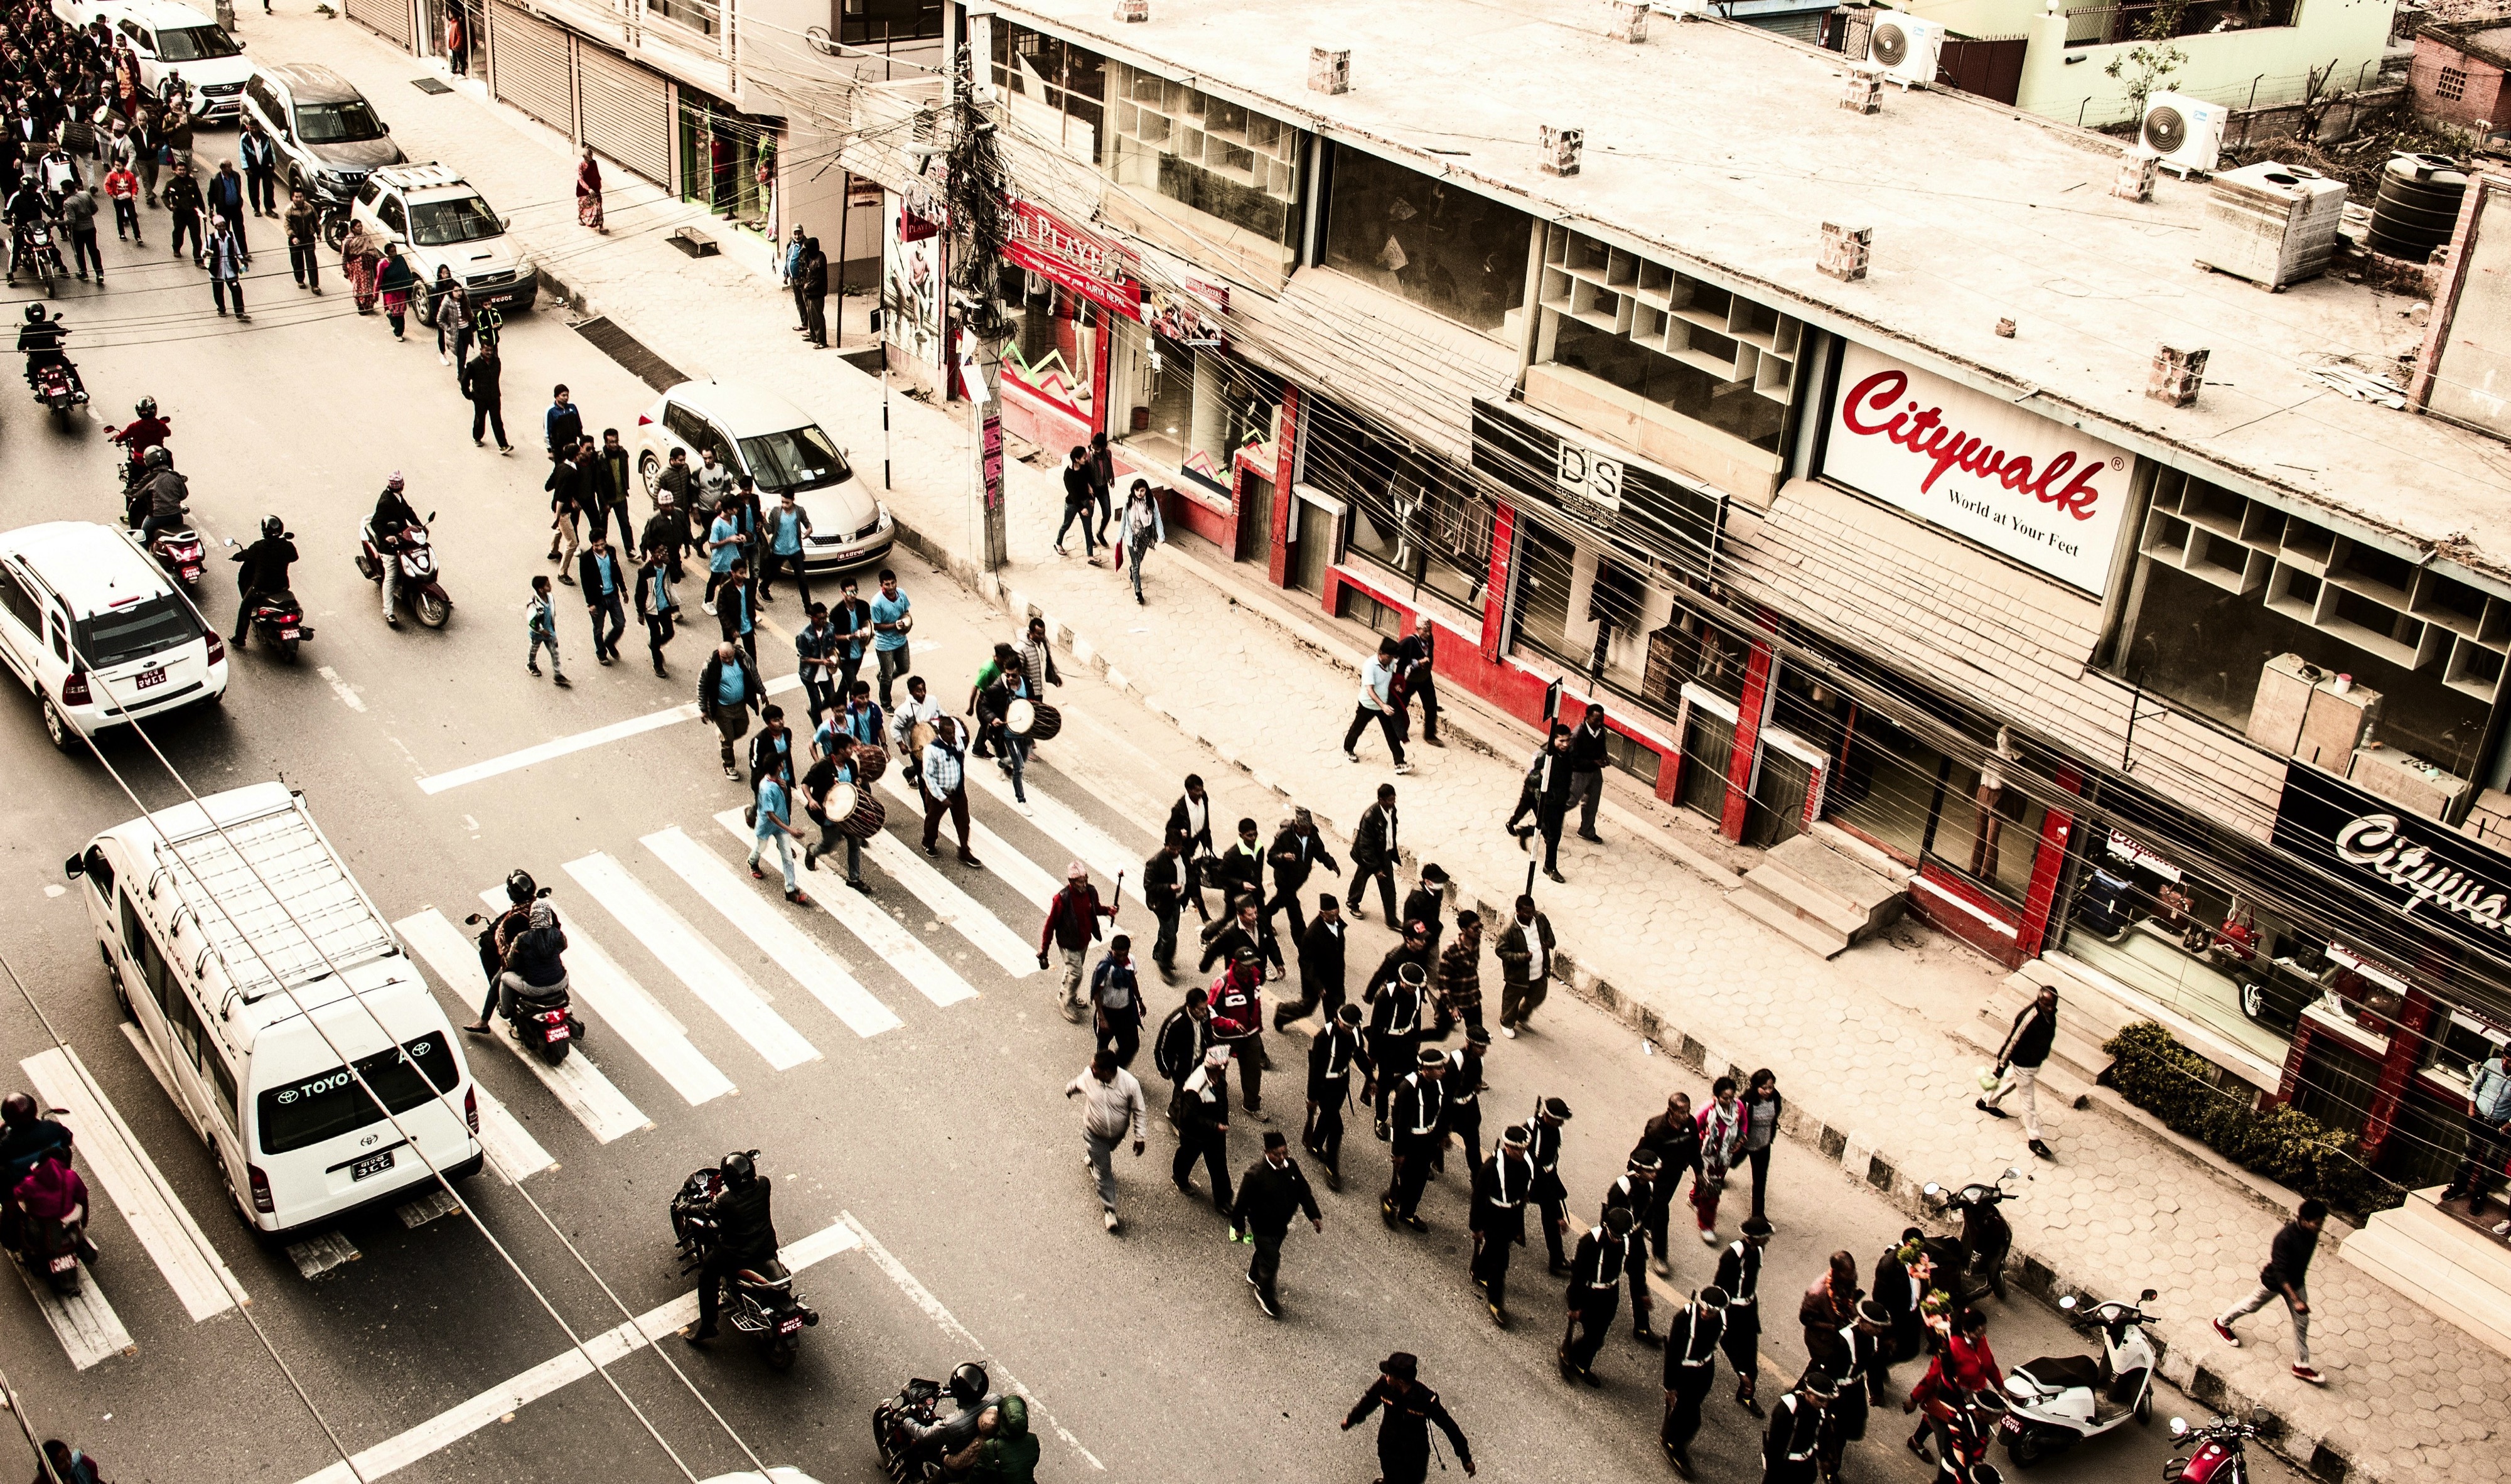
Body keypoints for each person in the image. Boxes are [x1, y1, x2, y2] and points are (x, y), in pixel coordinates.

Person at [2213, 1198, 2327, 1384]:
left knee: (2302, 1322)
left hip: (2296, 1283)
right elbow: (2280, 1273)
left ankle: (2301, 1365)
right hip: (2274, 1282)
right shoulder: (2285, 1238)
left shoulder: (2312, 1234)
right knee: (2252, 1305)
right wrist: (2296, 1299)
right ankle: (2221, 1323)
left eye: (2321, 1223)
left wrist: (2298, 1292)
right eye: (2317, 1223)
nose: (2320, 1227)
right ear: (2304, 1220)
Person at [1228, 1129, 1323, 1319]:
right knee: (1271, 1261)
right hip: (1263, 1228)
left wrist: (1314, 1215)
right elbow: (1241, 1205)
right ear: (1266, 1152)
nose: (1282, 1158)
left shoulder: (1291, 1166)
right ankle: (1265, 1294)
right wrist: (1239, 1227)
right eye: (1277, 1154)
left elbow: (1303, 1192)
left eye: (1285, 1152)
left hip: (1281, 1226)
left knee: (1266, 1254)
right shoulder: (1255, 1176)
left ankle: (1254, 1274)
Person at [683, 1151, 776, 1343]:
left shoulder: (726, 1200)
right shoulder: (764, 1184)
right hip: (766, 1246)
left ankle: (708, 1325)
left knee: (707, 1274)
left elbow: (705, 1210)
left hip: (737, 1254)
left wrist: (686, 1208)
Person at [1343, 1352, 1475, 1483]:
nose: (1386, 1377)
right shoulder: (1384, 1386)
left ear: (1400, 1380)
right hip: (1388, 1446)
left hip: (1415, 1455)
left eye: (1389, 1375)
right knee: (1390, 1476)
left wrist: (1466, 1458)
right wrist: (1350, 1420)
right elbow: (1367, 1403)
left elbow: (1449, 1427)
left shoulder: (1425, 1399)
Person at [1560, 1205, 1647, 1385]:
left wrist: (1642, 1294)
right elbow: (1578, 1277)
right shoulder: (1589, 1242)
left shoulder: (1630, 1240)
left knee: (1599, 1333)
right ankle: (1570, 1354)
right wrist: (1574, 1306)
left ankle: (1581, 1364)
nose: (1616, 1240)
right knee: (1592, 1332)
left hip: (1610, 1292)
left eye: (1620, 1237)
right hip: (1589, 1292)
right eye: (1613, 1235)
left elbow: (1637, 1270)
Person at [1979, 984, 2059, 1161]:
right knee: (2028, 1102)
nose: (2051, 1008)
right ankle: (2034, 1139)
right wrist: (2000, 1067)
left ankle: (1986, 1101)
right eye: (2047, 1005)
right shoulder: (2029, 1018)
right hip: (2023, 1065)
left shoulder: (2050, 1015)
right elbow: (2012, 1042)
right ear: (2039, 1001)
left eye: (2053, 1005)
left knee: (2009, 1082)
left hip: (2031, 1064)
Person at [1660, 1284, 1731, 1479]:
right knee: (1692, 1418)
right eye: (1703, 1308)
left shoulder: (1723, 1319)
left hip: (1705, 1368)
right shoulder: (1683, 1319)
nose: (1705, 1313)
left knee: (1692, 1405)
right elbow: (1672, 1355)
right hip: (1684, 1370)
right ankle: (1674, 1445)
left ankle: (1671, 1433)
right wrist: (1669, 1386)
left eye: (1711, 1311)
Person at [1471, 1123, 1535, 1326]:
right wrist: (1476, 1227)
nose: (1521, 1152)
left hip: (1513, 1215)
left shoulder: (1526, 1163)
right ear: (1507, 1147)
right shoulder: (1491, 1168)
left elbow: (1526, 1188)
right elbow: (1478, 1199)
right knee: (1500, 1262)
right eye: (1516, 1149)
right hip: (1494, 1216)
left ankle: (1479, 1271)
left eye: (1523, 1149)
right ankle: (1495, 1301)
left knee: (1496, 1248)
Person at [1038, 863, 1117, 1023]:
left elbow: (1095, 908)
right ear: (1072, 882)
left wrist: (1107, 910)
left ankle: (1067, 993)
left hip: (1083, 941)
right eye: (1081, 882)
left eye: (1086, 879)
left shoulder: (1091, 891)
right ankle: (1065, 1002)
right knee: (1077, 974)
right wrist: (1044, 949)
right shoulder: (1062, 899)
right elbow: (1050, 925)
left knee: (1073, 970)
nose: (1085, 884)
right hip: (1068, 944)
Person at [2443, 1037, 2511, 1220]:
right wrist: (2471, 1109)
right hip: (2478, 1117)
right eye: (2504, 1058)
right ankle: (2458, 1187)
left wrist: (2509, 1124)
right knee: (2467, 1155)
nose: (2505, 1063)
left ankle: (2479, 1198)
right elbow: (2476, 1085)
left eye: (2510, 1061)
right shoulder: (2492, 1064)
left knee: (2490, 1164)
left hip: (2500, 1127)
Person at [1382, 1046, 1448, 1232]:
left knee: (1420, 1181)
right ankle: (1390, 1202)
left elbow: (1439, 1113)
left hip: (1428, 1141)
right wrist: (1398, 1153)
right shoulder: (1408, 1089)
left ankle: (1408, 1213)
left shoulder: (1438, 1084)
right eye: (1439, 1068)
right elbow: (1399, 1124)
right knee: (1405, 1181)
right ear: (1426, 1069)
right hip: (1411, 1143)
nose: (1443, 1071)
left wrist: (1442, 1136)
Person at [1303, 1003, 1367, 1192]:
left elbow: (1359, 1055)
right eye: (1346, 1025)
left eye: (1352, 1026)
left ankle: (1315, 1143)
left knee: (1329, 1115)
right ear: (1337, 1020)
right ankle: (1331, 1168)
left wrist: (1370, 1077)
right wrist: (1312, 1097)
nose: (1349, 1029)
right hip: (1324, 1085)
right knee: (1337, 1128)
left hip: (1341, 1082)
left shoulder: (1355, 1032)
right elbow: (1315, 1070)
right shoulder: (1323, 1037)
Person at [1716, 1216, 1775, 1414]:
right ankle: (1743, 1375)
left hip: (1749, 1308)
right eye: (1764, 1237)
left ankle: (1746, 1394)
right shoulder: (1731, 1257)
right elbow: (1720, 1288)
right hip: (1732, 1309)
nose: (1768, 1240)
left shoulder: (1759, 1250)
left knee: (1751, 1351)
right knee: (1727, 1341)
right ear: (1751, 1238)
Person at [1367, 958, 1430, 1139]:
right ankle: (1380, 1118)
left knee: (1412, 1079)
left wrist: (1416, 1039)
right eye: (1409, 986)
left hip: (1407, 1041)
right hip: (1387, 1042)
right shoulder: (1385, 997)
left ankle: (1405, 1115)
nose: (1412, 989)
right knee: (1384, 1082)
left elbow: (1417, 1016)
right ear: (1401, 981)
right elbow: (1375, 1027)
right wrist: (1373, 1055)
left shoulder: (1417, 993)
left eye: (1415, 987)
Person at [1264, 809, 1339, 956]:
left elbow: (1320, 852)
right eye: (1305, 830)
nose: (1308, 832)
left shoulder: (1312, 834)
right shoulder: (1284, 836)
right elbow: (1271, 857)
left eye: (1309, 828)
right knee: (1296, 916)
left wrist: (1331, 863)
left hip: (1298, 880)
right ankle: (1304, 949)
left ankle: (1263, 917)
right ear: (1297, 827)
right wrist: (1282, 857)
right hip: (1284, 880)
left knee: (1279, 901)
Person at [1173, 1044, 1233, 1213]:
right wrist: (1215, 1126)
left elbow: (1222, 1101)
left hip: (1214, 1130)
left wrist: (1222, 1122)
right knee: (1188, 1155)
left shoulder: (1218, 1079)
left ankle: (1224, 1201)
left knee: (1219, 1164)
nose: (1224, 1070)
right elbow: (1189, 1117)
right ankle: (1179, 1177)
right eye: (1223, 1067)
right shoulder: (1196, 1087)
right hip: (1193, 1132)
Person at [1516, 724, 1577, 884]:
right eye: (1561, 741)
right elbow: (1531, 779)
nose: (1565, 744)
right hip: (1548, 801)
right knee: (1553, 833)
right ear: (1553, 739)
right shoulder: (1546, 756)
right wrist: (1542, 774)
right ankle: (1550, 867)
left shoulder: (1567, 754)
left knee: (1551, 832)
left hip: (1560, 800)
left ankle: (1526, 832)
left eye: (1568, 740)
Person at [920, 716, 981, 866]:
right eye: (948, 733)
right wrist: (941, 797)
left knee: (964, 822)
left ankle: (964, 851)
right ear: (941, 733)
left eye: (953, 732)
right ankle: (929, 843)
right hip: (940, 793)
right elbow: (928, 776)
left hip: (958, 791)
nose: (952, 736)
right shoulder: (932, 750)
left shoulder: (958, 741)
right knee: (932, 821)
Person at [1278, 895, 1347, 1030]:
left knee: (1334, 1008)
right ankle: (1282, 1013)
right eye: (1331, 915)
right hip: (1316, 978)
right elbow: (1305, 962)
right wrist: (1318, 986)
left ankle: (1332, 1034)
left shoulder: (1337, 924)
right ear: (1322, 914)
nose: (1335, 918)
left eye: (1337, 914)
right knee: (1307, 1007)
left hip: (1333, 976)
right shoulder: (1312, 935)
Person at [227, 515, 296, 647]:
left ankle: (240, 638)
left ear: (264, 531)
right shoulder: (287, 546)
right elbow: (294, 557)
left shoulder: (258, 547)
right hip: (282, 586)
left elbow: (245, 555)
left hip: (262, 589)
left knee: (245, 608)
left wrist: (235, 557)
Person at [1493, 895, 1556, 1039]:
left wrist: (1549, 942)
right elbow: (1501, 951)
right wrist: (1521, 957)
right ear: (1518, 911)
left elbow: (1548, 931)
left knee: (1538, 996)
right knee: (1512, 1000)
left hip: (1539, 971)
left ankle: (1522, 1015)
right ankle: (1506, 1023)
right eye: (1527, 912)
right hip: (1518, 974)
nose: (1531, 915)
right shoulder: (1508, 930)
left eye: (1532, 911)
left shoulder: (1539, 918)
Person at [698, 640, 763, 780]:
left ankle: (723, 735)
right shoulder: (711, 665)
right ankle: (728, 765)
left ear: (734, 651)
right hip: (721, 709)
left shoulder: (744, 659)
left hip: (740, 705)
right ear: (719, 654)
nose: (728, 661)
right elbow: (702, 686)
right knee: (728, 738)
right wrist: (703, 709)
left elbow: (754, 673)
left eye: (730, 657)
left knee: (742, 728)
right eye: (724, 658)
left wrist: (762, 691)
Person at [747, 761, 810, 905]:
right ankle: (752, 861)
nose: (783, 764)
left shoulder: (779, 780)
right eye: (781, 763)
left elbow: (783, 799)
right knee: (761, 847)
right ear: (778, 767)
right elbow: (771, 815)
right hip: (767, 826)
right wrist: (791, 830)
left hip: (781, 826)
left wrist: (785, 789)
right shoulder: (766, 788)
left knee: (787, 857)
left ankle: (790, 890)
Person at [1343, 636, 1409, 772]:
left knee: (1391, 733)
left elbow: (1390, 677)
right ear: (1381, 653)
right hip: (1368, 705)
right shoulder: (1370, 665)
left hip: (1383, 705)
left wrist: (1396, 686)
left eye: (1393, 657)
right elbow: (1370, 690)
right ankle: (1348, 749)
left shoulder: (1390, 663)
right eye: (1389, 656)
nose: (1391, 660)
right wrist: (1383, 706)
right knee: (1358, 728)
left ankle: (1399, 762)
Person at [1696, 1075, 1747, 1245]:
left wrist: (1739, 1141)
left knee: (1707, 1186)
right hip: (1706, 1157)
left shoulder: (1738, 1107)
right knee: (1711, 1191)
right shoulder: (1707, 1110)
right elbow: (1694, 1129)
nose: (1729, 1101)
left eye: (1732, 1097)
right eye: (1725, 1098)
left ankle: (1695, 1198)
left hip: (1724, 1158)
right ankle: (1706, 1226)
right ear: (1716, 1096)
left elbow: (1743, 1124)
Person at [1873, 1228, 1932, 1368]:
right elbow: (1879, 1297)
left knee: (1911, 1351)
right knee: (1886, 1352)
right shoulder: (1888, 1266)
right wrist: (1889, 1327)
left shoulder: (1920, 1258)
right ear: (1906, 1245)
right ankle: (1878, 1369)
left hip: (1912, 1314)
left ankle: (1889, 1361)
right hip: (1896, 1317)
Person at [1761, 1371, 1835, 1484]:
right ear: (1808, 1393)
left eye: (1827, 1401)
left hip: (1805, 1466)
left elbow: (1821, 1434)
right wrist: (1773, 1474)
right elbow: (1774, 1449)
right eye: (1820, 1400)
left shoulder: (1820, 1409)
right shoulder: (1786, 1410)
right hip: (1785, 1465)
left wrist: (1824, 1458)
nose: (1824, 1405)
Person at [1166, 775, 1218, 925]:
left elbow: (1205, 820)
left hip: (1196, 840)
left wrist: (1207, 840)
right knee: (1192, 880)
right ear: (1189, 791)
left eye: (1202, 790)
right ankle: (1204, 915)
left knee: (1190, 873)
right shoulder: (1180, 809)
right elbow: (1169, 828)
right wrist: (1179, 833)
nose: (1201, 793)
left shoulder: (1204, 798)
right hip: (1184, 846)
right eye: (1197, 791)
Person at [1347, 783, 1401, 923]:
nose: (1393, 802)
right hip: (1368, 856)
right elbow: (1365, 846)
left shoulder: (1391, 810)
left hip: (1384, 852)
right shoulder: (1370, 817)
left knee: (1389, 887)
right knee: (1361, 880)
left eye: (1394, 799)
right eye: (1390, 800)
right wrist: (1376, 869)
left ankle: (1391, 919)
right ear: (1381, 800)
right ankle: (1352, 903)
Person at [1091, 935, 1145, 1067]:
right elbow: (1096, 993)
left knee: (1131, 1045)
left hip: (1126, 1011)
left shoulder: (1130, 961)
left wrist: (1139, 1001)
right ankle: (1103, 1070)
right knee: (1103, 1048)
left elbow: (1133, 981)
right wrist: (1102, 1018)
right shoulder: (1104, 968)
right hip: (1108, 1012)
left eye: (1124, 955)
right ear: (1112, 950)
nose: (1121, 958)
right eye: (1118, 955)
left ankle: (1116, 1069)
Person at [1740, 1068, 1783, 1227]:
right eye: (1764, 1088)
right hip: (1743, 1144)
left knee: (1760, 1180)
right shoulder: (1746, 1100)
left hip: (1763, 1145)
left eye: (1771, 1087)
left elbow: (1775, 1116)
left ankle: (1758, 1214)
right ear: (1756, 1086)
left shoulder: (1776, 1098)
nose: (1768, 1091)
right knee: (1726, 1164)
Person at [577, 535, 627, 666]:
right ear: (592, 544)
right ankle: (601, 653)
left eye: (602, 544)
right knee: (598, 628)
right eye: (596, 545)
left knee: (620, 623)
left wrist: (623, 588)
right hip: (597, 599)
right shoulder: (586, 558)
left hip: (612, 595)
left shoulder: (611, 551)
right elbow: (585, 582)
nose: (600, 547)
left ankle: (609, 642)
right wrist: (590, 604)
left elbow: (616, 570)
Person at [1566, 701, 1611, 841]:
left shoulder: (1600, 730)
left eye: (1602, 720)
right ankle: (1547, 814)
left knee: (1592, 803)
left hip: (1595, 773)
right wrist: (1593, 762)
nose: (1600, 723)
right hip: (1580, 772)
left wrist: (1604, 756)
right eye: (1597, 720)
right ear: (1587, 718)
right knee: (1571, 800)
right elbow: (1572, 759)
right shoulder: (1578, 735)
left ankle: (1587, 830)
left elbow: (1602, 746)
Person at [759, 488, 812, 606]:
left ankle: (808, 606)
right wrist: (763, 521)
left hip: (795, 550)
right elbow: (770, 530)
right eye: (782, 502)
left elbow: (807, 524)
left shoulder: (799, 511)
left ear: (793, 500)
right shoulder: (776, 512)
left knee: (802, 579)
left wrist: (809, 529)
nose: (784, 505)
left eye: (787, 502)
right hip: (779, 550)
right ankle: (763, 587)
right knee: (773, 573)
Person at [1437, 911, 1486, 1037]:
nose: (1480, 931)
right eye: (1475, 929)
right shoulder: (1450, 951)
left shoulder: (1476, 942)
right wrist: (1452, 1008)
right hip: (1456, 1000)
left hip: (1472, 999)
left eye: (1481, 927)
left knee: (1477, 1035)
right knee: (1440, 1034)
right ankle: (1415, 1039)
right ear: (1464, 930)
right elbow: (1443, 984)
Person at [635, 544, 679, 678]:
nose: (663, 553)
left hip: (664, 606)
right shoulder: (645, 571)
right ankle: (658, 665)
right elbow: (639, 593)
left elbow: (677, 579)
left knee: (669, 632)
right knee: (655, 635)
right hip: (651, 609)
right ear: (653, 553)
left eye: (665, 550)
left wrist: (670, 564)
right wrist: (640, 612)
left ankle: (655, 646)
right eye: (660, 551)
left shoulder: (667, 566)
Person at [1395, 621, 1442, 748]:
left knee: (1431, 705)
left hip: (1425, 679)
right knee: (1402, 704)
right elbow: (1398, 657)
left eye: (1429, 631)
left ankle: (1429, 735)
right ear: (1418, 629)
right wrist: (1417, 663)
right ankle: (1399, 730)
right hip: (1410, 680)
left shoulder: (1430, 640)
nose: (1428, 634)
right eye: (1425, 631)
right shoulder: (1410, 642)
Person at [871, 569, 912, 707]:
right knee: (888, 676)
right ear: (881, 585)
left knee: (904, 668)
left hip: (901, 640)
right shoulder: (877, 603)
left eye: (893, 583)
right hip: (885, 644)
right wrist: (894, 625)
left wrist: (907, 622)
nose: (891, 587)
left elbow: (906, 612)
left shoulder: (901, 594)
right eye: (887, 584)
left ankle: (882, 677)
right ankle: (886, 703)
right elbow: (876, 626)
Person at [1117, 478, 1163, 604]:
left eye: (1142, 490)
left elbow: (1157, 518)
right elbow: (1124, 520)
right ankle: (1138, 593)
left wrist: (1161, 536)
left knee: (1139, 560)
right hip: (1132, 538)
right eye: (1137, 490)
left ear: (1146, 490)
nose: (1139, 493)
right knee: (1137, 564)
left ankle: (1132, 570)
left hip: (1145, 537)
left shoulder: (1151, 501)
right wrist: (1119, 537)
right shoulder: (1129, 502)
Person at [461, 340, 510, 451]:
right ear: (481, 350)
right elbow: (464, 381)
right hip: (480, 398)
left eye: (491, 350)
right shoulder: (474, 364)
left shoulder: (497, 362)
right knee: (480, 419)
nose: (489, 352)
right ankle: (477, 438)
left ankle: (503, 445)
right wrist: (469, 395)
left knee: (497, 421)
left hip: (494, 397)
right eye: (487, 350)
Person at [520, 574, 568, 686]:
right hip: (538, 634)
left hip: (550, 631)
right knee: (534, 649)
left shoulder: (550, 597)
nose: (550, 586)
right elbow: (532, 620)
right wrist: (542, 630)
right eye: (547, 585)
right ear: (541, 590)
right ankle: (531, 665)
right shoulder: (534, 603)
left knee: (555, 652)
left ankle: (558, 674)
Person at [1055, 444, 1099, 560]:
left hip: (1085, 501)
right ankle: (1058, 543)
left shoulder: (1085, 467)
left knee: (1088, 529)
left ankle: (1090, 556)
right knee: (1066, 524)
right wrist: (1082, 508)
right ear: (1077, 459)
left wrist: (1091, 498)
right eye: (1084, 458)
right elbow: (1073, 494)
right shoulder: (1068, 474)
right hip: (1072, 504)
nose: (1086, 459)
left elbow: (1091, 483)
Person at [202, 212, 245, 321]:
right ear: (216, 227)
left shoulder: (231, 236)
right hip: (216, 269)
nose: (222, 228)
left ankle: (240, 313)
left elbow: (236, 249)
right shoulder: (210, 238)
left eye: (223, 226)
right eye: (219, 226)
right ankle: (221, 308)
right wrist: (206, 254)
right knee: (218, 291)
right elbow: (203, 252)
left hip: (230, 269)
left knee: (237, 290)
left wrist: (242, 259)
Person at [162, 157, 203, 265]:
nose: (182, 172)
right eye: (180, 170)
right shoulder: (171, 183)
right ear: (175, 171)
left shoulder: (193, 182)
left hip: (192, 213)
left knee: (196, 237)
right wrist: (170, 206)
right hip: (179, 213)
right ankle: (176, 248)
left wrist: (203, 212)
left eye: (184, 170)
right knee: (178, 233)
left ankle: (198, 260)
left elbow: (199, 196)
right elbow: (164, 196)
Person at [57, 183, 98, 283]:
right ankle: (99, 273)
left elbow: (72, 221)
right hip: (91, 227)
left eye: (63, 189)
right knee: (93, 251)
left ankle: (83, 273)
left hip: (77, 231)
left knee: (79, 252)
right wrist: (88, 216)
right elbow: (95, 208)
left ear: (67, 190)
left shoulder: (68, 202)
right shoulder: (86, 194)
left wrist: (57, 223)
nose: (62, 191)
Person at [375, 242, 417, 339]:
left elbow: (407, 273)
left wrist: (409, 287)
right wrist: (375, 294)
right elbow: (379, 279)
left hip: (401, 292)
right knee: (395, 312)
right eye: (392, 252)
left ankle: (399, 332)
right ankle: (397, 332)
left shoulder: (400, 259)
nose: (394, 253)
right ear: (387, 253)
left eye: (395, 251)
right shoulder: (382, 264)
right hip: (390, 292)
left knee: (400, 313)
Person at [281, 187, 320, 292]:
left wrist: (319, 233)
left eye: (301, 197)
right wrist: (293, 237)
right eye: (296, 197)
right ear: (292, 197)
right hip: (295, 240)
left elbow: (315, 221)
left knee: (311, 261)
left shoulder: (310, 208)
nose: (299, 199)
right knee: (297, 261)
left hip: (308, 238)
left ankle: (315, 285)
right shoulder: (289, 210)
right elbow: (287, 226)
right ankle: (300, 280)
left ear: (304, 197)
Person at [339, 215, 380, 313]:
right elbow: (344, 255)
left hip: (368, 266)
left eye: (361, 226)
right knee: (358, 285)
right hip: (356, 268)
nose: (360, 228)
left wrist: (377, 262)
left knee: (369, 285)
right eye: (358, 226)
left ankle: (369, 304)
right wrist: (345, 269)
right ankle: (360, 305)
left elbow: (373, 250)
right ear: (353, 228)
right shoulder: (349, 240)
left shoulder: (365, 236)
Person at [239, 119, 277, 216]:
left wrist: (273, 164)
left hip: (265, 166)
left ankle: (269, 209)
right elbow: (242, 153)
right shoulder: (244, 138)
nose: (254, 130)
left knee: (269, 188)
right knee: (254, 189)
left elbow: (271, 151)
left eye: (256, 128)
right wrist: (246, 168)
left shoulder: (265, 137)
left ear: (259, 127)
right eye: (252, 128)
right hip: (253, 168)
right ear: (248, 127)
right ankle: (256, 209)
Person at [800, 235, 828, 348]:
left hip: (817, 294)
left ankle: (821, 341)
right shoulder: (815, 257)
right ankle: (813, 336)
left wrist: (807, 287)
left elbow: (818, 280)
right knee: (811, 317)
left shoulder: (819, 261)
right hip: (811, 293)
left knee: (817, 318)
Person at [546, 384, 586, 465]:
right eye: (563, 395)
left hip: (573, 445)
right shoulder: (551, 411)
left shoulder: (572, 407)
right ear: (556, 396)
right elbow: (547, 432)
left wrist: (582, 438)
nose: (566, 398)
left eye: (567, 395)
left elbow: (578, 424)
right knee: (562, 468)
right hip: (559, 449)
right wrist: (550, 450)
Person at [104, 158, 139, 245]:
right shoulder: (111, 175)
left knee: (133, 218)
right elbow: (107, 185)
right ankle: (122, 234)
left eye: (119, 165)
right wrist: (112, 194)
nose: (116, 167)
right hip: (118, 199)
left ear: (124, 166)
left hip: (128, 199)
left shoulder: (130, 175)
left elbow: (134, 186)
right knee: (120, 217)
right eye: (115, 165)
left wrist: (134, 194)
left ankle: (138, 236)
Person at [576, 144, 605, 231]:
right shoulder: (580, 165)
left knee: (598, 206)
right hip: (584, 189)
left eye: (588, 157)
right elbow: (580, 178)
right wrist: (588, 189)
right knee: (584, 205)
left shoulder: (594, 163)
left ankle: (601, 226)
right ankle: (581, 217)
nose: (587, 159)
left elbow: (597, 175)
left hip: (595, 188)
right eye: (585, 157)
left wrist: (598, 185)